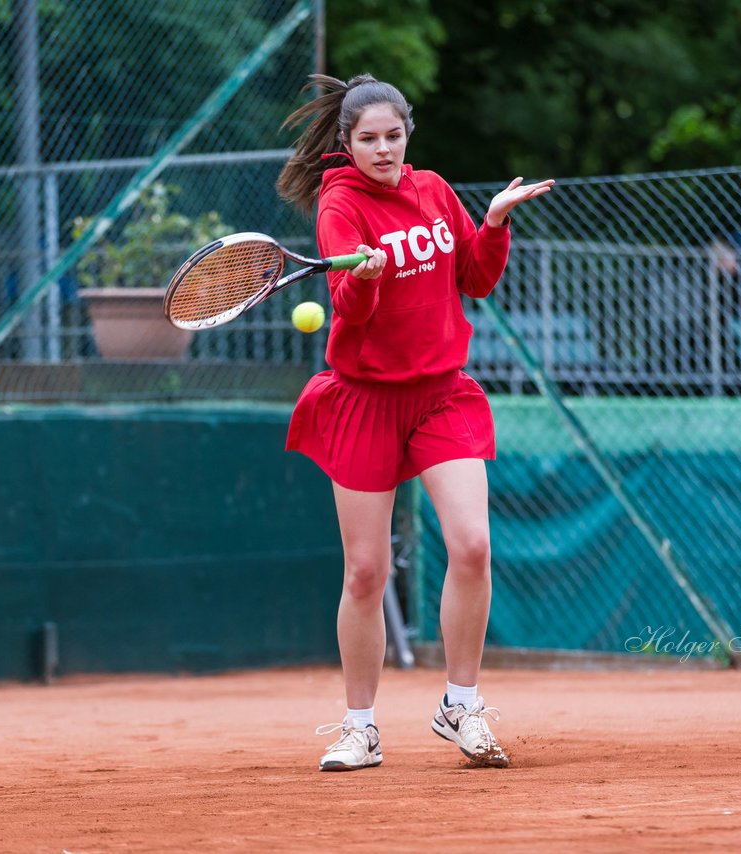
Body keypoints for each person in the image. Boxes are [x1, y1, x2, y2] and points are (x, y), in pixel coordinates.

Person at [275, 73, 553, 772]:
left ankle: (462, 705)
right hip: (364, 398)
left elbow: (476, 280)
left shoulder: (432, 189)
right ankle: (359, 727)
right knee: (366, 574)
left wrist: (491, 223)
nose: (382, 149)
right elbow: (351, 312)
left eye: (392, 136)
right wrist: (362, 283)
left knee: (473, 547)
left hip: (441, 394)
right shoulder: (339, 204)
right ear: (346, 143)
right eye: (367, 139)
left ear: (407, 134)